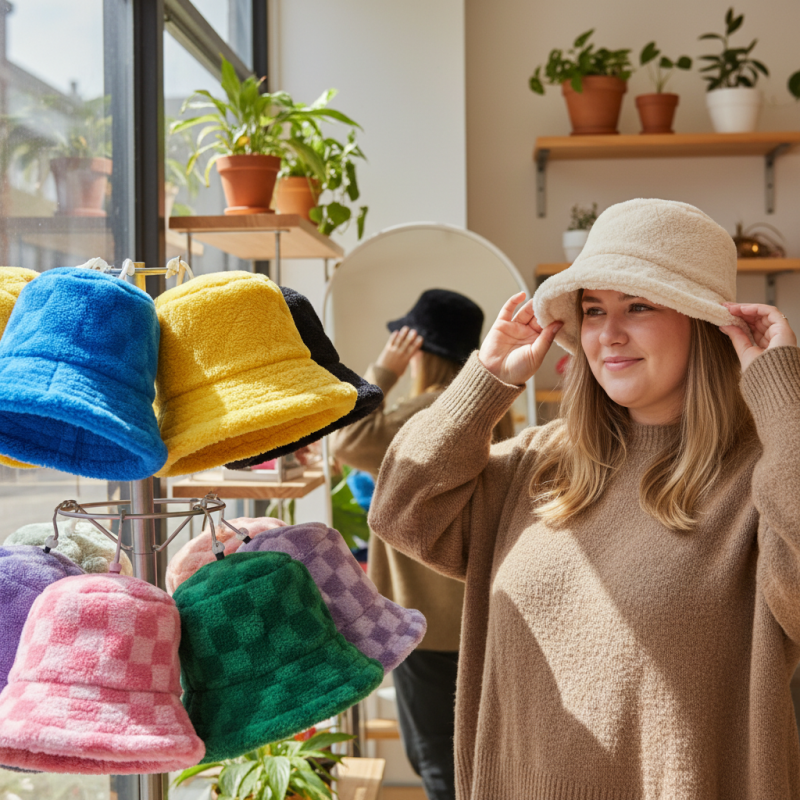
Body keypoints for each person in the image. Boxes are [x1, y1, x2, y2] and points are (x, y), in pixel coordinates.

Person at [368, 199, 800, 800]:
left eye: (639, 306)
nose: (608, 333)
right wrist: (487, 377)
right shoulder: (539, 462)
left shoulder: (761, 475)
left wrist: (781, 395)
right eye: (593, 310)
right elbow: (402, 507)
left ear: (706, 324)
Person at [332, 289, 513, 800]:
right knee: (469, 753)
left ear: (421, 350)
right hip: (477, 610)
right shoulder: (490, 409)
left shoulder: (427, 409)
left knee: (434, 756)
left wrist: (382, 372)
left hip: (426, 619)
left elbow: (348, 442)